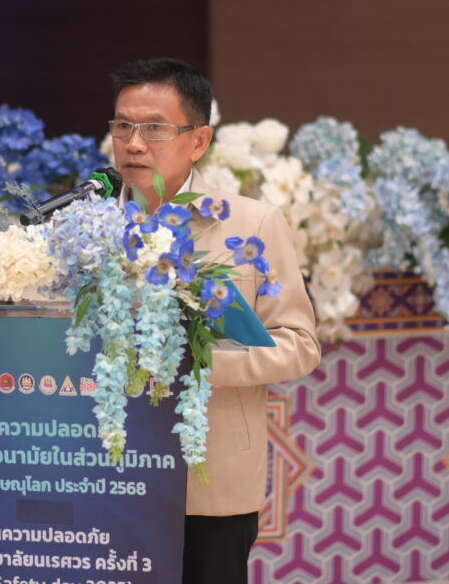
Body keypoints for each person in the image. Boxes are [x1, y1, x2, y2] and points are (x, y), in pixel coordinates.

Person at [109, 57, 322, 584]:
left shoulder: (251, 223)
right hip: (104, 476)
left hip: (207, 483)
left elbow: (299, 345)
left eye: (154, 128)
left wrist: (196, 364)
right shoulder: (87, 227)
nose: (133, 144)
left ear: (198, 141)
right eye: (122, 126)